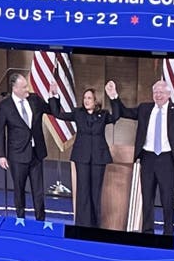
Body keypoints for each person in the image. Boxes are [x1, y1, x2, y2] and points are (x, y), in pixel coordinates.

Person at [112, 79, 174, 235]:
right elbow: (125, 112)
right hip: (147, 158)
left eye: (161, 92)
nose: (158, 95)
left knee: (168, 199)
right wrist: (114, 96)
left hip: (167, 159)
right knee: (147, 197)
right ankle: (147, 232)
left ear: (169, 94)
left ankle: (168, 232)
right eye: (155, 92)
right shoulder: (144, 108)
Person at [46, 80, 122, 228]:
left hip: (99, 158)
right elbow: (57, 114)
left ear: (96, 101)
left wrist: (113, 97)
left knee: (95, 191)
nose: (86, 100)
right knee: (83, 191)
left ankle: (94, 225)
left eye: (89, 98)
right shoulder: (78, 113)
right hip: (82, 157)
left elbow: (116, 116)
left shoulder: (103, 114)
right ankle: (82, 224)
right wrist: (54, 96)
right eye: (85, 98)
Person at [0, 73, 51, 222]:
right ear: (15, 88)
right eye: (24, 86)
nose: (28, 89)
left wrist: (54, 96)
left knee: (38, 191)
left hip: (36, 153)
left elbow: (51, 109)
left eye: (27, 85)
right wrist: (1, 155)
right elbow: (0, 131)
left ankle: (41, 220)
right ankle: (21, 220)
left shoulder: (34, 99)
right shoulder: (5, 106)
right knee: (19, 190)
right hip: (17, 155)